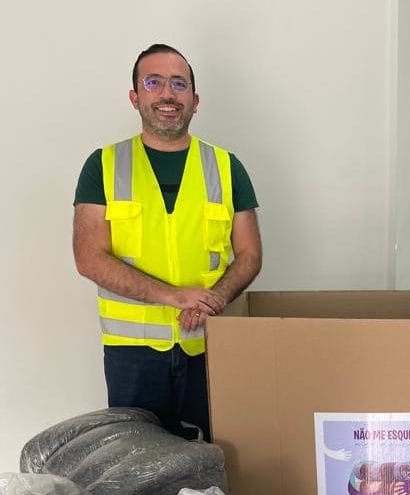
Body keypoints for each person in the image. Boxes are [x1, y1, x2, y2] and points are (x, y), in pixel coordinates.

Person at [72, 44, 262, 442]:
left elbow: (249, 254)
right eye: (153, 82)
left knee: (215, 454)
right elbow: (89, 257)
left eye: (179, 84)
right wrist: (176, 297)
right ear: (134, 97)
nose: (167, 94)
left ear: (195, 100)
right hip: (131, 355)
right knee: (137, 460)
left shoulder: (227, 167)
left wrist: (214, 299)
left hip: (210, 346)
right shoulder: (103, 165)